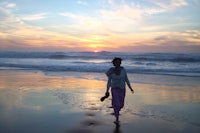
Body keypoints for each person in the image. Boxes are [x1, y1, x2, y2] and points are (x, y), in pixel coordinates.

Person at [104, 57, 134, 124]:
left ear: (120, 63)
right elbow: (109, 82)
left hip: (122, 88)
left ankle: (116, 110)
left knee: (121, 105)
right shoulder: (111, 71)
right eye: (116, 62)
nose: (117, 63)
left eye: (119, 62)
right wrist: (107, 91)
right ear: (114, 63)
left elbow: (126, 79)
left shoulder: (123, 70)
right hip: (114, 88)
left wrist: (130, 88)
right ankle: (117, 118)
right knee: (116, 103)